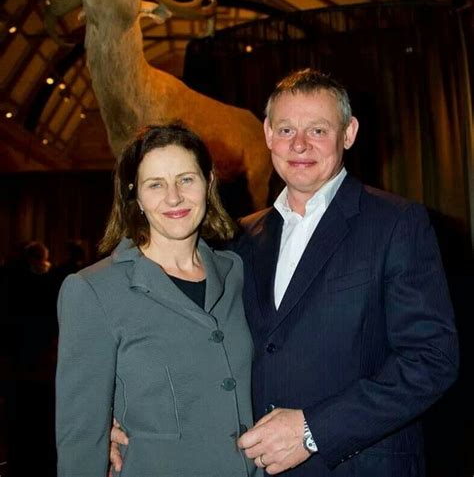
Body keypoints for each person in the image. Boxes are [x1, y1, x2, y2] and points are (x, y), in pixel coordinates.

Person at [110, 69, 459, 477]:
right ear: (267, 133)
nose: (300, 145)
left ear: (349, 133)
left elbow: (432, 359)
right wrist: (121, 415)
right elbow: (192, 343)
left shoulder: (396, 224)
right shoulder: (239, 238)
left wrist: (314, 430)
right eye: (287, 129)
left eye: (318, 130)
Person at [56, 123, 259, 477]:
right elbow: (81, 435)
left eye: (186, 179)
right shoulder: (93, 290)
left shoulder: (237, 272)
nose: (174, 198)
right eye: (156, 185)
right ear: (134, 196)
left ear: (209, 183)